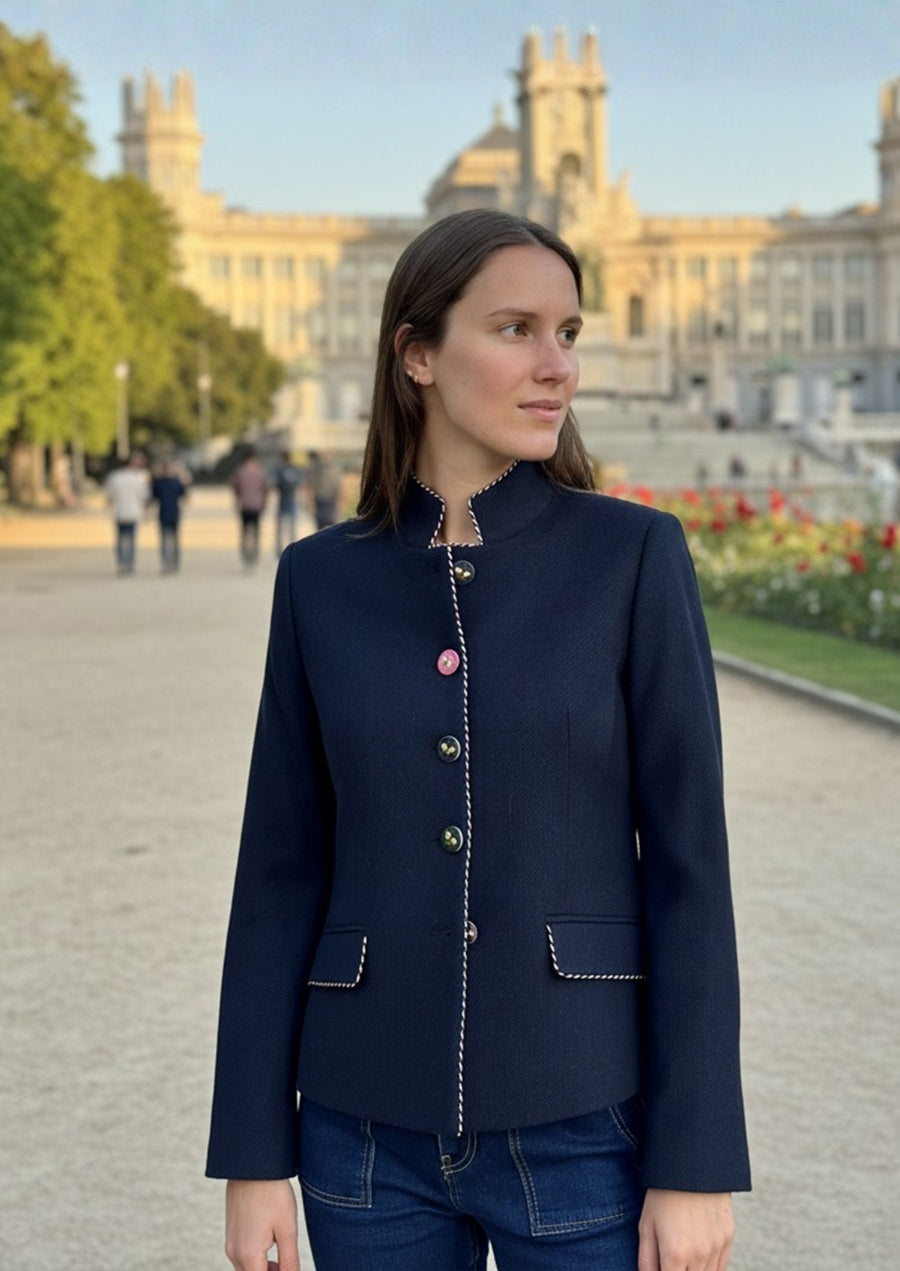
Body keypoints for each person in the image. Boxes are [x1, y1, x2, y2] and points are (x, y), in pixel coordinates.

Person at [207, 209, 750, 1271]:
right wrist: (252, 1154)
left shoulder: (634, 556)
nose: (558, 366)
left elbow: (691, 869)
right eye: (516, 329)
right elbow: (278, 872)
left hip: (583, 1118)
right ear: (417, 353)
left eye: (569, 333)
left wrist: (696, 1161)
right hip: (361, 1133)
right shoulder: (319, 579)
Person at [104, 452, 149, 575]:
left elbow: (109, 496)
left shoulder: (115, 477)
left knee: (120, 539)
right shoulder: (140, 478)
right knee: (131, 540)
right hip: (133, 512)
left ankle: (122, 563)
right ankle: (129, 564)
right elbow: (144, 496)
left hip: (119, 511)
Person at [230, 447, 270, 568]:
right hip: (257, 505)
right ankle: (255, 554)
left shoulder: (240, 471)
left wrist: (238, 499)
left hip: (245, 505)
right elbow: (266, 488)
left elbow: (235, 486)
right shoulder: (260, 471)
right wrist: (264, 502)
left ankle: (245, 555)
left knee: (245, 531)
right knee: (256, 532)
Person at [150, 460, 189, 573]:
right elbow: (153, 496)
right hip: (163, 514)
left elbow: (185, 496)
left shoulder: (176, 483)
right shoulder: (159, 483)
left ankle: (174, 563)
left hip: (174, 514)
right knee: (165, 540)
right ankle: (166, 563)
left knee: (174, 540)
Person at [273, 450, 306, 556]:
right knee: (292, 527)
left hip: (283, 499)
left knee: (280, 527)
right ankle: (293, 548)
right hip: (292, 499)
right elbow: (299, 483)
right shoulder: (295, 469)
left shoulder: (280, 470)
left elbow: (276, 484)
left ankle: (279, 548)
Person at [307, 450, 341, 529]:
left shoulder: (318, 468)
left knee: (324, 520)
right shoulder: (331, 467)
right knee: (326, 519)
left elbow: (312, 483)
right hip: (324, 496)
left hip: (325, 496)